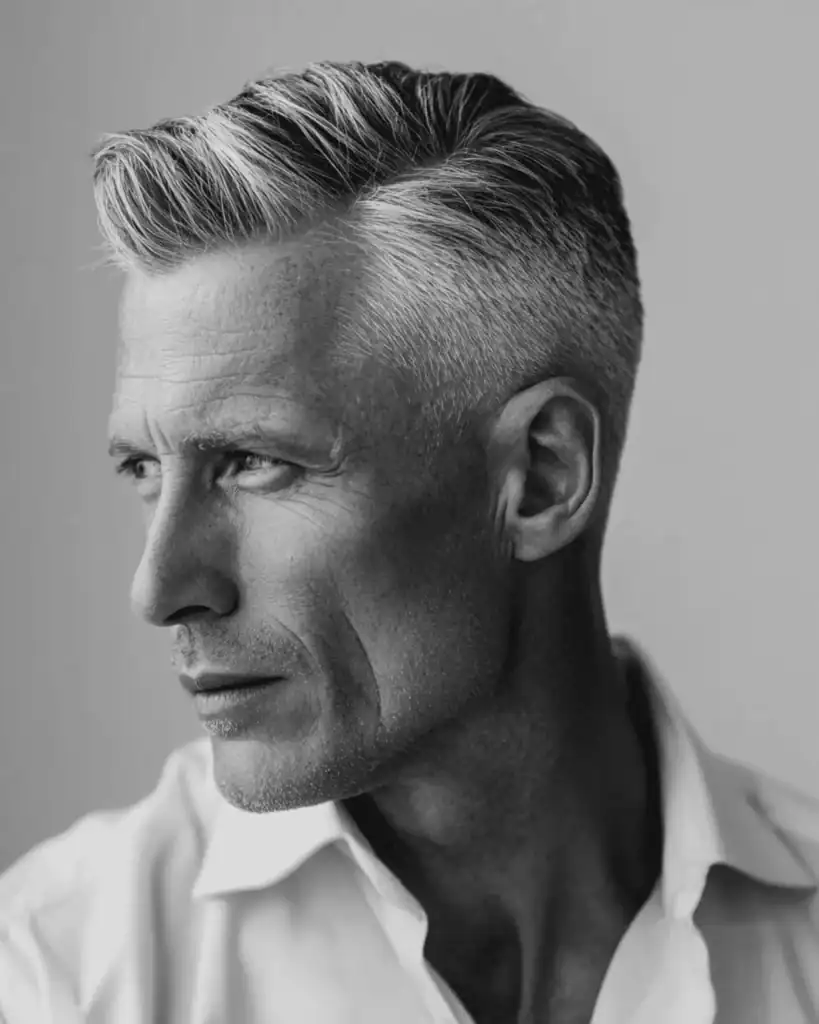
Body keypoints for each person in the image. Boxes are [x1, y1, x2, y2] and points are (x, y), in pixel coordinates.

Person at [1, 60, 817, 1024]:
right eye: (143, 468)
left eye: (256, 462)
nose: (162, 585)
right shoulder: (56, 972)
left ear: (541, 475)